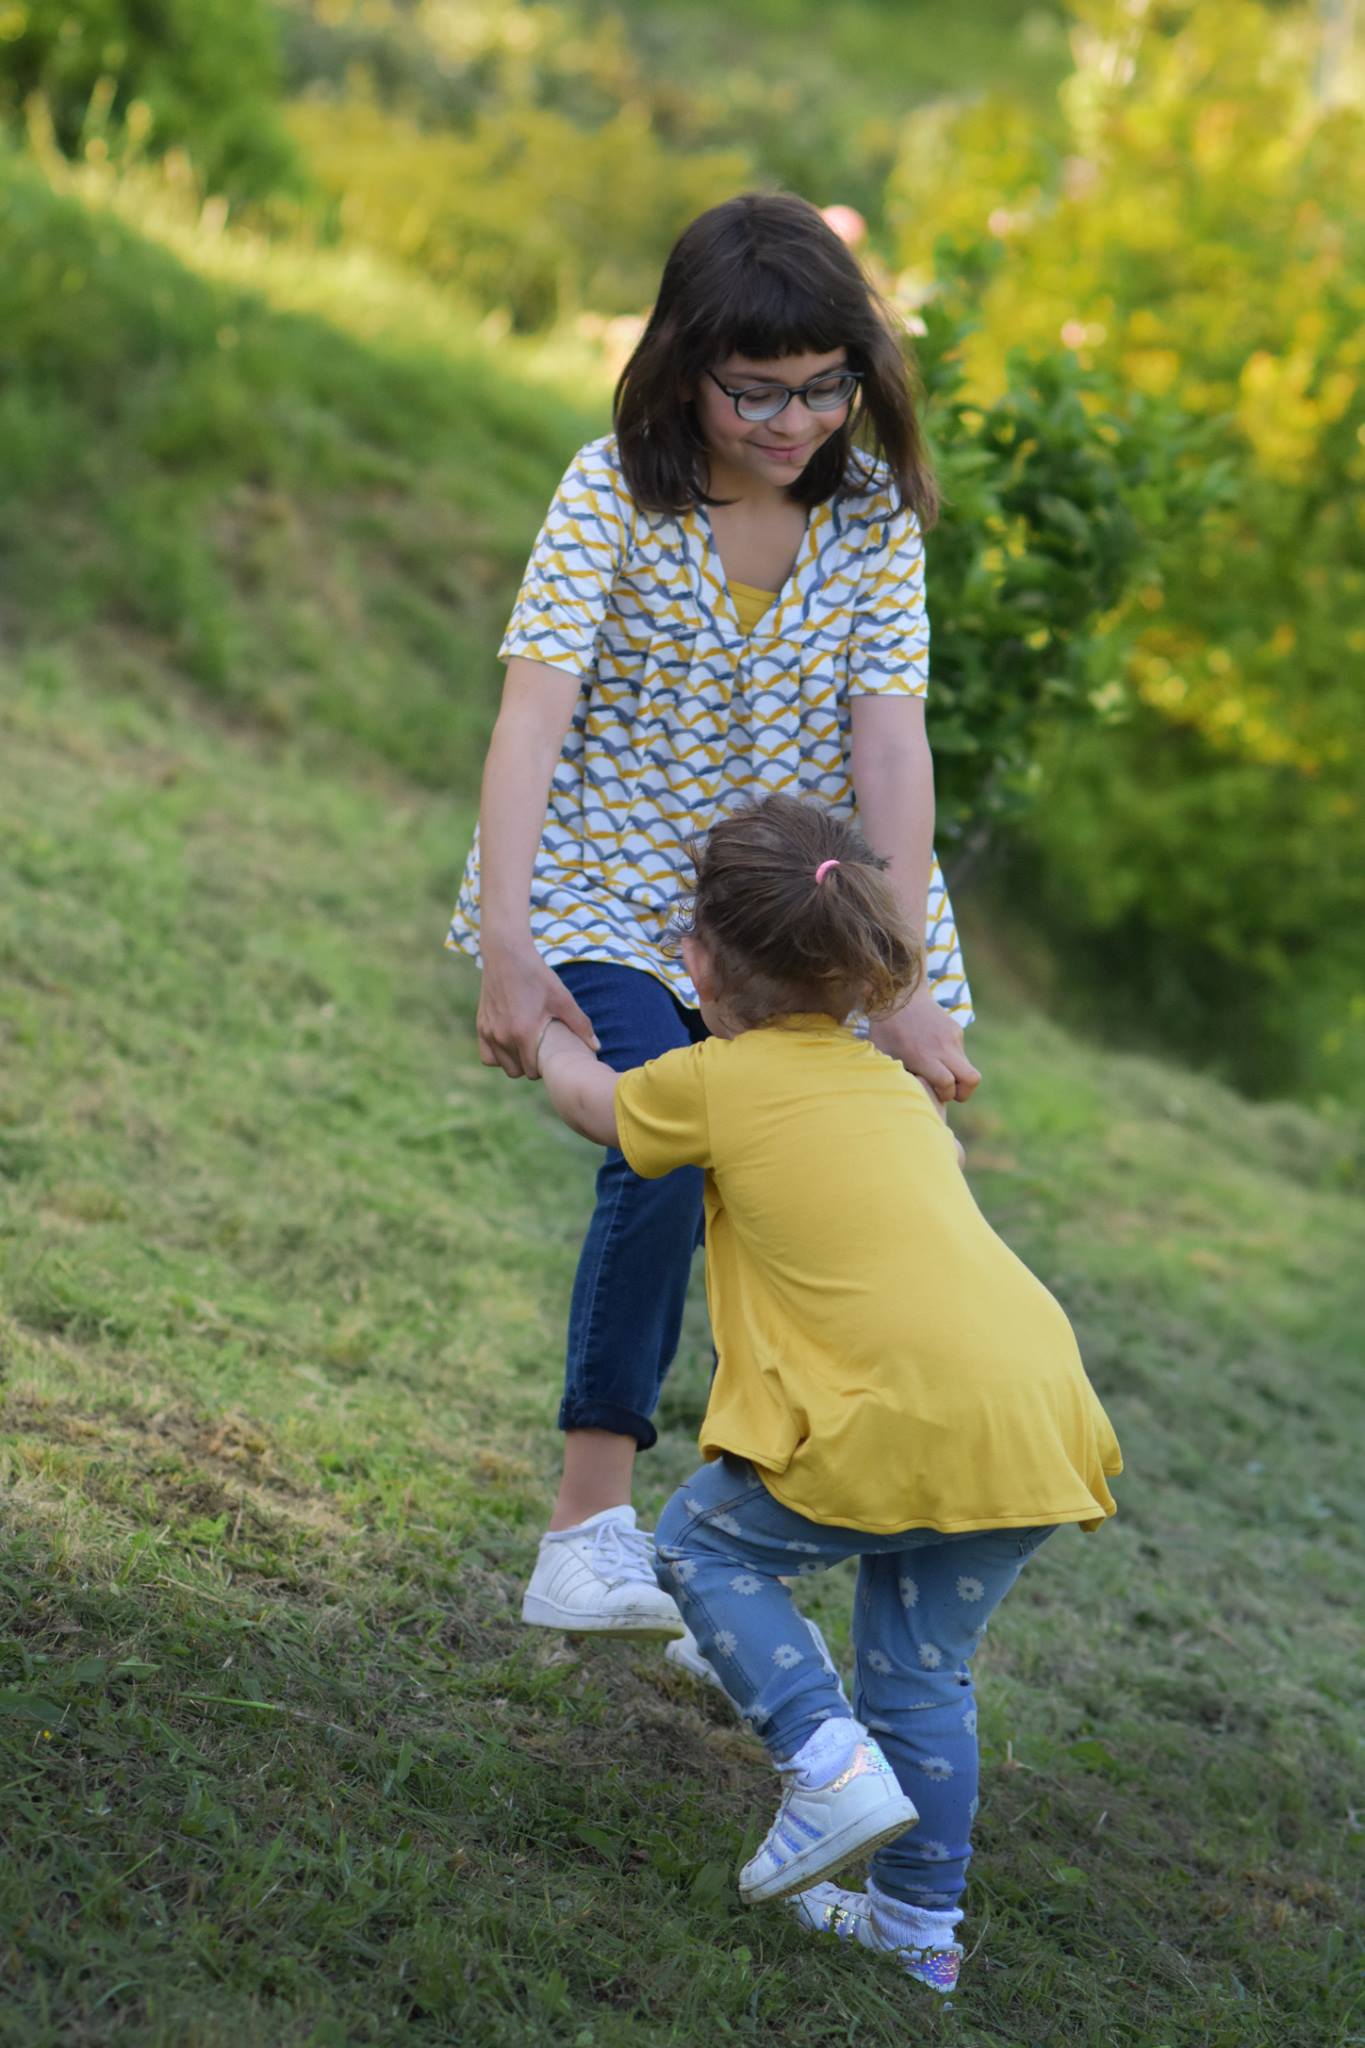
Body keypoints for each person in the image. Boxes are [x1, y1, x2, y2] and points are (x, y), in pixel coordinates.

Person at [448, 190, 980, 1637]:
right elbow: (528, 722)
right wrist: (507, 938)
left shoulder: (870, 521)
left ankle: (724, 1558)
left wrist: (901, 976)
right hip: (605, 890)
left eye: (825, 387)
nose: (797, 419)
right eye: (759, 391)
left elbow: (891, 748)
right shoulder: (610, 489)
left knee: (821, 1207)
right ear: (686, 361)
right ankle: (585, 1528)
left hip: (795, 918)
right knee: (664, 1140)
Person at [534, 795, 1122, 1995]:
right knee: (919, 1666)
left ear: (695, 960)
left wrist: (543, 1029)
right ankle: (916, 1927)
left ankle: (823, 1757)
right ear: (858, 971)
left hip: (897, 1413)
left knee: (700, 1541)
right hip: (1032, 1410)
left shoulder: (712, 1078)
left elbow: (599, 1105)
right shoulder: (897, 1088)